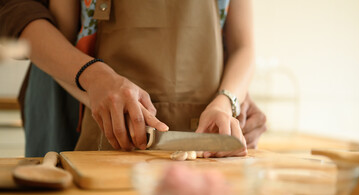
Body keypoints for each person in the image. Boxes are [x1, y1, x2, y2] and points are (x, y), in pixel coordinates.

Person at [0, 0, 266, 157]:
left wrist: (226, 100)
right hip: (102, 141)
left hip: (204, 148)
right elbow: (63, 38)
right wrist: (95, 79)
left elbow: (244, 47)